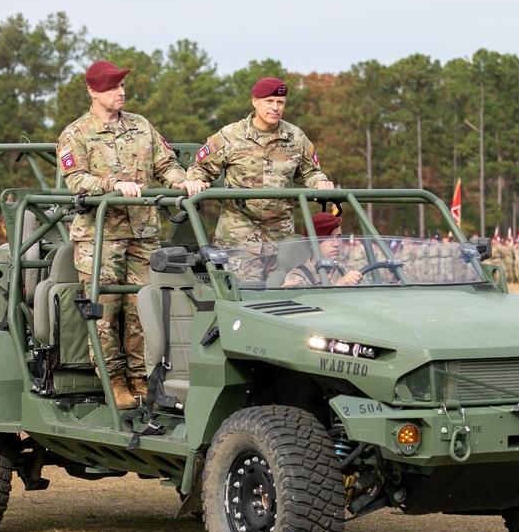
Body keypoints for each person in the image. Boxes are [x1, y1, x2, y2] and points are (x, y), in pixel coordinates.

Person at [57, 60, 205, 410]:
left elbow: (165, 163)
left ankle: (142, 377)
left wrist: (180, 181)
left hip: (142, 231)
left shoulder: (141, 126)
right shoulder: (75, 134)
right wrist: (112, 184)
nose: (120, 92)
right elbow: (76, 179)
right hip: (100, 238)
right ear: (93, 92)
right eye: (111, 87)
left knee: (143, 308)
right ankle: (115, 380)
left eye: (122, 86)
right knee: (104, 312)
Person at [185, 77, 332, 279]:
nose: (275, 108)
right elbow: (200, 168)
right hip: (239, 242)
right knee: (245, 299)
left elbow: (310, 171)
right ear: (255, 101)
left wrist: (319, 181)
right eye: (269, 101)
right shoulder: (231, 135)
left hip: (281, 241)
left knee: (285, 301)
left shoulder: (295, 137)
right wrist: (196, 180)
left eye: (280, 103)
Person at [282, 212, 363, 288]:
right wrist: (338, 286)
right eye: (328, 237)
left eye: (338, 237)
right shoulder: (297, 276)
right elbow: (302, 302)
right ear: (311, 243)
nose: (336, 243)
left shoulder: (346, 274)